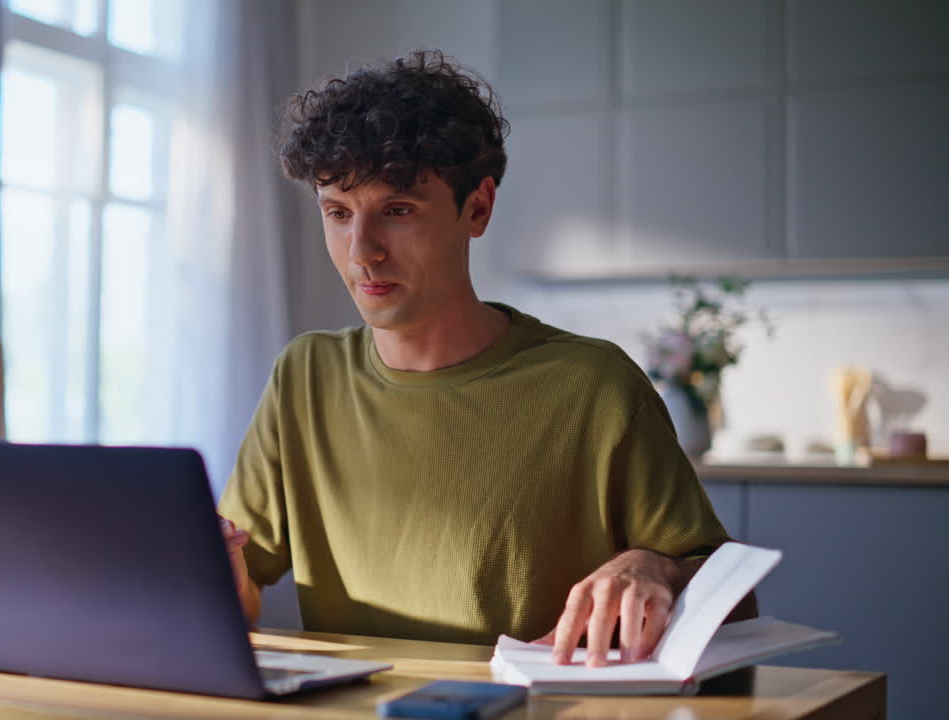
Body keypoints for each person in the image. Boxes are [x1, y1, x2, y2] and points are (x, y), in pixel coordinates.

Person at [217, 50, 741, 668]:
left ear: (478, 208)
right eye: (338, 213)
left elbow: (734, 601)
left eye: (398, 211)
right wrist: (206, 564)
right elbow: (235, 597)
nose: (362, 251)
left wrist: (656, 566)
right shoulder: (304, 376)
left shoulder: (593, 386)